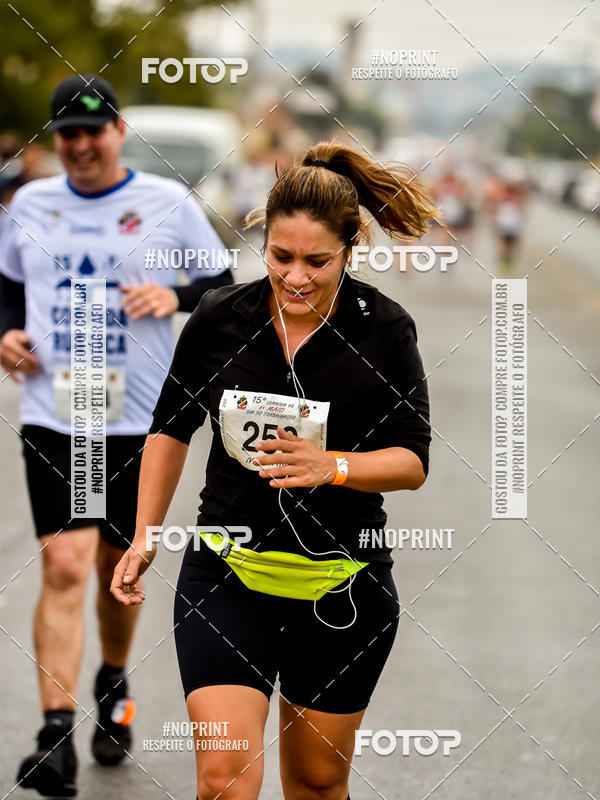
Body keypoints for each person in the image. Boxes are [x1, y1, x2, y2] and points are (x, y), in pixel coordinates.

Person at [111, 141, 435, 800]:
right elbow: (172, 427)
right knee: (225, 780)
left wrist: (333, 465)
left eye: (317, 261)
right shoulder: (219, 317)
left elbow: (413, 461)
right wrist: (145, 533)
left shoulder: (384, 330)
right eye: (280, 257)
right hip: (226, 573)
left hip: (341, 585)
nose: (295, 277)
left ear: (349, 250)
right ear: (263, 242)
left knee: (316, 783)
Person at [0, 73, 232, 797]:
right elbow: (7, 281)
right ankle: (54, 736)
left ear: (118, 132)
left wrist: (176, 294)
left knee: (110, 570)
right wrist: (5, 331)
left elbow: (222, 284)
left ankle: (112, 680)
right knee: (64, 563)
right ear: (55, 140)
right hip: (54, 413)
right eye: (67, 132)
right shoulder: (30, 203)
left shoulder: (165, 204)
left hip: (133, 420)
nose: (80, 144)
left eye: (93, 130)